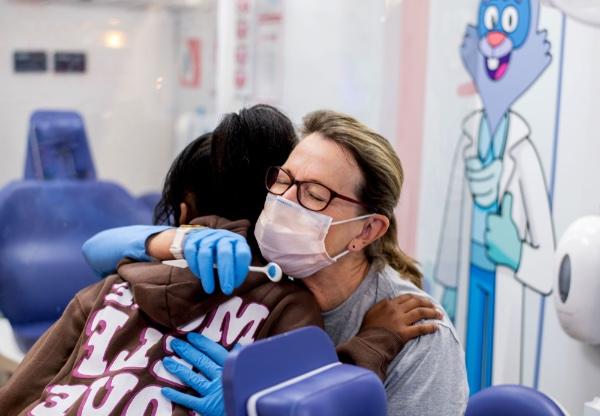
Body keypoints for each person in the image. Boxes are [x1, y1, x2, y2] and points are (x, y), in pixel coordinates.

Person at [0, 106, 440, 416]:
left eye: (315, 195)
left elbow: (19, 397)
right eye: (283, 181)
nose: (288, 202)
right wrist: (373, 342)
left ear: (368, 230)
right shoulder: (287, 308)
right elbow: (325, 392)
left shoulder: (111, 288)